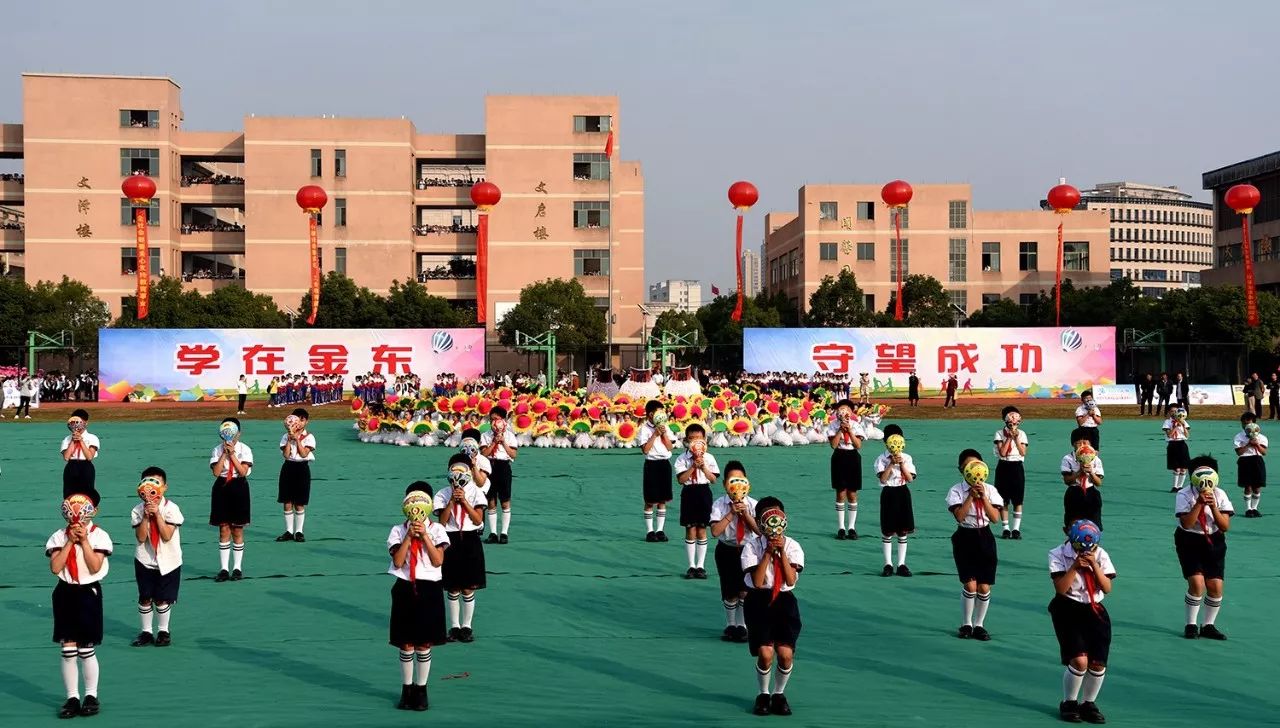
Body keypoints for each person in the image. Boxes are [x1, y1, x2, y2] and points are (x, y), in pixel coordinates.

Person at [48, 494, 113, 719]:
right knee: (68, 649)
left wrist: (84, 541)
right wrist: (69, 542)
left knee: (86, 648)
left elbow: (95, 566)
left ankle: (91, 696)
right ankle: (72, 697)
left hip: (88, 591)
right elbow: (56, 567)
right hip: (65, 591)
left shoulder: (100, 536)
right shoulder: (58, 536)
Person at [740, 496, 804, 717]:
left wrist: (781, 552)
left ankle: (779, 693)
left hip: (784, 601)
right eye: (767, 518)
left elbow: (790, 580)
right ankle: (763, 693)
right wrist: (767, 553)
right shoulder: (751, 546)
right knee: (766, 653)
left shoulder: (793, 545)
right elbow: (757, 582)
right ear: (759, 522)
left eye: (777, 516)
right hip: (759, 600)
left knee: (785, 654)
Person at [1049, 520, 1115, 725]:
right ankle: (1069, 702)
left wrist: (1095, 565)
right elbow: (1061, 588)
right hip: (1068, 608)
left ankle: (1088, 703)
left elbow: (1106, 587)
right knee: (1079, 660)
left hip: (1094, 609)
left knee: (1097, 663)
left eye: (1091, 547)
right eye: (1080, 547)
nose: (1086, 551)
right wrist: (1075, 567)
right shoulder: (1058, 554)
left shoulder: (1101, 554)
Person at [390, 484, 450, 711]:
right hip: (405, 587)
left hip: (429, 589)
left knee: (424, 643)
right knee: (405, 643)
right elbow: (398, 561)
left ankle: (421, 689)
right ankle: (406, 690)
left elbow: (437, 560)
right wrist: (408, 537)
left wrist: (424, 536)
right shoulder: (397, 530)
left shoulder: (437, 531)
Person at [947, 450, 1003, 640]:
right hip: (965, 536)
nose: (974, 470)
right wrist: (970, 496)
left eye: (977, 464)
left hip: (985, 536)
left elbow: (995, 518)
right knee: (970, 585)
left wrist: (983, 498)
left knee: (984, 587)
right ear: (962, 470)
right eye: (969, 467)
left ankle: (979, 624)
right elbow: (960, 516)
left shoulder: (990, 490)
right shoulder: (956, 490)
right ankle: (966, 624)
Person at [1175, 458, 1232, 640]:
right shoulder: (1185, 494)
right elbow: (1187, 523)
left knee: (1215, 586)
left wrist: (1213, 506)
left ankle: (1208, 625)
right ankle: (1190, 624)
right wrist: (1199, 503)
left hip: (1214, 540)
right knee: (1197, 584)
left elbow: (1224, 526)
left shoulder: (1220, 494)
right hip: (1189, 540)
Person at [435, 457, 487, 643]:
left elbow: (478, 520)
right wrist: (451, 502)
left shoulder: (476, 492)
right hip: (450, 539)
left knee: (468, 587)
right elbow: (441, 522)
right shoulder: (442, 494)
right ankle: (454, 626)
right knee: (452, 587)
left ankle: (467, 626)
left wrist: (464, 502)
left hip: (470, 539)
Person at [129, 468, 183, 648]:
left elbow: (167, 535)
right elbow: (141, 537)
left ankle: (163, 631)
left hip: (168, 561)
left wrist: (157, 514)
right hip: (145, 559)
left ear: (164, 487)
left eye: (156, 483)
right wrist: (146, 516)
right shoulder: (137, 510)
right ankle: (146, 632)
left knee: (162, 599)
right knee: (145, 597)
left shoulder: (171, 509)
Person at [709, 461, 758, 643]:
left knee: (745, 590)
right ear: (725, 485)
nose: (736, 485)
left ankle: (742, 625)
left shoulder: (753, 504)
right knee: (730, 591)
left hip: (748, 550)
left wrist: (745, 514)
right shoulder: (720, 504)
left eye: (740, 480)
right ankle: (730, 625)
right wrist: (730, 513)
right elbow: (715, 531)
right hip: (726, 549)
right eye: (731, 481)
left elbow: (759, 531)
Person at [209, 418, 253, 582]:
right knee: (223, 528)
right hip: (221, 487)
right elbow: (216, 472)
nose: (229, 436)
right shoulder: (216, 450)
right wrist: (224, 455)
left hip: (239, 487)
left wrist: (232, 454)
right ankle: (223, 568)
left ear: (238, 433)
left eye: (233, 433)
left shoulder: (245, 450)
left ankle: (237, 568)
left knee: (237, 529)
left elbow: (242, 472)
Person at [675, 423, 719, 579]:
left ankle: (700, 566)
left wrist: (703, 467)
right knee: (690, 529)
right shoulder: (682, 458)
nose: (696, 442)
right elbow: (681, 480)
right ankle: (691, 566)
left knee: (702, 529)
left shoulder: (709, 457)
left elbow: (713, 479)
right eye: (692, 438)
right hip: (689, 493)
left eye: (699, 438)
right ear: (687, 440)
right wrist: (693, 466)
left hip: (703, 492)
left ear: (705, 440)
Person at [875, 425, 916, 577]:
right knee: (887, 530)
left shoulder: (907, 458)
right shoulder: (881, 459)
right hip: (888, 493)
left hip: (903, 492)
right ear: (886, 442)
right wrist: (891, 463)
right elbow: (883, 479)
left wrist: (901, 464)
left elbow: (910, 479)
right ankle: (887, 564)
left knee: (902, 531)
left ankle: (901, 564)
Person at [827, 399, 866, 540]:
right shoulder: (832, 425)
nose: (843, 412)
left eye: (846, 409)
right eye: (840, 409)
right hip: (839, 457)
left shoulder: (856, 425)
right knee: (840, 492)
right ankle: (841, 527)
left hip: (853, 457)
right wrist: (839, 430)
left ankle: (852, 527)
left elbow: (858, 445)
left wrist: (849, 429)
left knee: (852, 493)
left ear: (851, 412)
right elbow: (833, 445)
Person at [275, 409, 316, 543]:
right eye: (295, 420)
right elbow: (286, 455)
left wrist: (297, 439)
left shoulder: (309, 437)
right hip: (288, 467)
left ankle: (299, 531)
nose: (298, 423)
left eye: (301, 420)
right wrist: (289, 437)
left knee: (299, 502)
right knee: (287, 501)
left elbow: (304, 454)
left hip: (302, 468)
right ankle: (289, 531)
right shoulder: (285, 436)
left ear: (306, 422)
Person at [480, 407, 518, 544]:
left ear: (503, 420)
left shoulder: (510, 435)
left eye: (496, 419)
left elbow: (513, 454)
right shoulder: (485, 435)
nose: (494, 422)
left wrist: (503, 442)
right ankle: (493, 533)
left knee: (505, 501)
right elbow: (483, 454)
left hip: (503, 467)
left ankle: (504, 533)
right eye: (491, 420)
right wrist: (494, 442)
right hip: (489, 467)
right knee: (491, 501)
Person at [638, 400, 673, 542]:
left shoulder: (666, 427)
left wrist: (663, 433)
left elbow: (670, 447)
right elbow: (645, 449)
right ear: (651, 414)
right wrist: (655, 434)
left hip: (664, 464)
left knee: (662, 500)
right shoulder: (644, 428)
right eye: (659, 412)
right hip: (651, 464)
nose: (662, 415)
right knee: (650, 500)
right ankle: (649, 531)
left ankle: (660, 530)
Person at [993, 407, 1028, 539]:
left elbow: (1023, 452)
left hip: (1017, 466)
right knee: (1003, 500)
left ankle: (1016, 529)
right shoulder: (999, 433)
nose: (1013, 424)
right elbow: (1002, 452)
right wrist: (1009, 438)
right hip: (1003, 466)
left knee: (1018, 500)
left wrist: (1016, 438)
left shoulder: (1022, 434)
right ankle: (1006, 528)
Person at [1062, 429, 1104, 529]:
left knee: (1094, 524)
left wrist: (1091, 473)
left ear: (1090, 444)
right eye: (1078, 443)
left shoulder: (1096, 460)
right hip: (1074, 493)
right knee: (1072, 524)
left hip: (1091, 493)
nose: (1082, 445)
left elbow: (1098, 483)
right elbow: (1067, 481)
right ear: (1073, 444)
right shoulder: (1068, 459)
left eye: (1085, 442)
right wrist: (1078, 473)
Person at [61, 409, 100, 503]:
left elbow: (89, 456)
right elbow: (66, 457)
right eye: (74, 422)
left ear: (86, 423)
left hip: (86, 466)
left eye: (79, 422)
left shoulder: (92, 438)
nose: (76, 424)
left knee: (87, 494)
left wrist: (81, 441)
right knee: (69, 495)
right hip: (71, 466)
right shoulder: (67, 439)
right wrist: (73, 440)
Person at [1234, 411, 1268, 517]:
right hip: (1245, 461)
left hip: (1257, 460)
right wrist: (1248, 444)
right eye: (1243, 423)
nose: (1245, 426)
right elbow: (1239, 452)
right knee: (1247, 486)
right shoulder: (1239, 437)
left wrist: (1257, 444)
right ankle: (1248, 509)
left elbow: (1264, 452)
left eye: (1247, 423)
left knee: (1257, 486)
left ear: (1254, 424)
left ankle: (1255, 508)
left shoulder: (1262, 437)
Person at [1162, 407, 1191, 493]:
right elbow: (1169, 435)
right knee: (1176, 467)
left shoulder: (1183, 421)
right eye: (1172, 411)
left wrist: (1183, 425)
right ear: (1169, 412)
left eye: (1175, 411)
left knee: (1183, 468)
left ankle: (1180, 486)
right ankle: (1174, 486)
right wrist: (1175, 427)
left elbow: (1187, 436)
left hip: (1182, 444)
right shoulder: (1167, 422)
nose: (1174, 413)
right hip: (1172, 444)